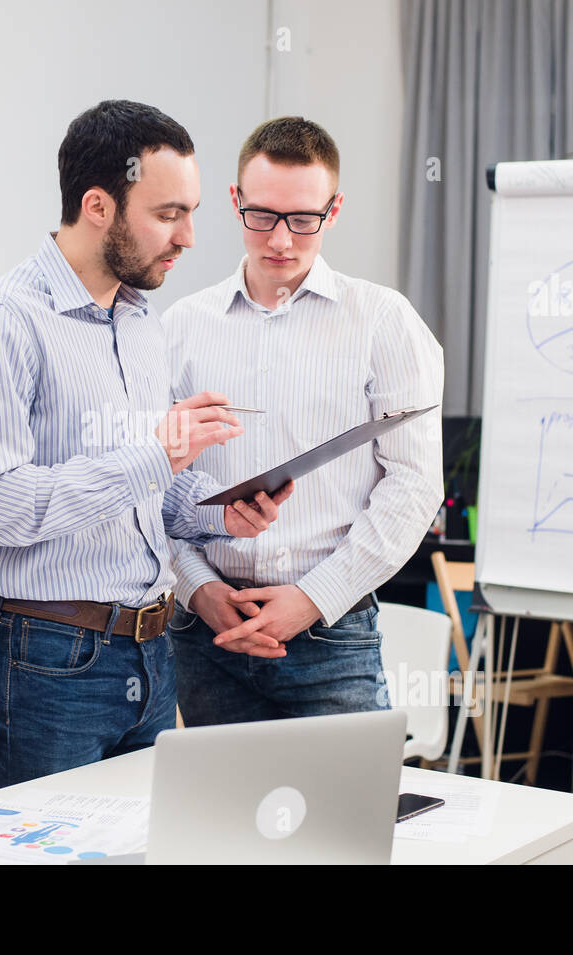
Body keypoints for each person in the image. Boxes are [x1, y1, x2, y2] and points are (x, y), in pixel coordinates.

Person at [0, 100, 293, 794]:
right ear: (97, 205)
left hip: (152, 653)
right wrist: (156, 457)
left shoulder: (141, 323)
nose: (189, 236)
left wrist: (219, 510)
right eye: (168, 213)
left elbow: (143, 496)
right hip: (43, 661)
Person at [162, 116, 443, 726]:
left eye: (303, 219)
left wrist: (314, 599)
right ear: (235, 203)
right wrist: (198, 590)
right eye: (262, 216)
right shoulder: (180, 326)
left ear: (332, 211)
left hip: (329, 634)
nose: (281, 241)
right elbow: (150, 485)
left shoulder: (383, 321)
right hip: (207, 632)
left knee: (349, 818)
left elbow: (415, 485)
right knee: (216, 818)